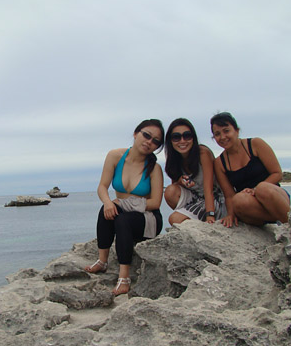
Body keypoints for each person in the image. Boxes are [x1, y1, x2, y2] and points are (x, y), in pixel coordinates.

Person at [84, 119, 165, 295]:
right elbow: (102, 186)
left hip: (148, 219)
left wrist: (123, 203)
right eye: (146, 135)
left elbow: (155, 203)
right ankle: (102, 261)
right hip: (125, 212)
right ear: (136, 134)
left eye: (155, 141)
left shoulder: (154, 169)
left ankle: (124, 278)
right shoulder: (115, 156)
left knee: (122, 219)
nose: (149, 142)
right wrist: (107, 202)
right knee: (107, 209)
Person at [210, 112, 290, 227]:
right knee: (238, 200)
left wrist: (255, 189)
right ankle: (276, 221)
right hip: (251, 205)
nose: (222, 137)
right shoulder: (219, 163)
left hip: (274, 196)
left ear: (237, 131)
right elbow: (229, 195)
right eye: (217, 134)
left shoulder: (255, 144)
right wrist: (230, 214)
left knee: (263, 188)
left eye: (226, 131)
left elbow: (277, 173)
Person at [163, 118, 226, 225]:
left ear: (193, 138)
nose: (182, 141)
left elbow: (209, 188)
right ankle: (195, 217)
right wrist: (180, 182)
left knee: (175, 219)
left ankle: (203, 219)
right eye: (176, 137)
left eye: (187, 136)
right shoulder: (174, 160)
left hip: (215, 199)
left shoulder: (202, 153)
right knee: (170, 191)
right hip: (197, 199)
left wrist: (210, 215)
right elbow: (175, 188)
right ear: (170, 140)